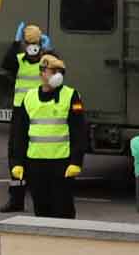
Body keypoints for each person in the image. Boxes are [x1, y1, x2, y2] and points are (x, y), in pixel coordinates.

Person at [14, 55, 88, 219]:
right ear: (42, 73)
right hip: (36, 163)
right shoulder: (30, 97)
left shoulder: (71, 96)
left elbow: (80, 131)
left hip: (61, 164)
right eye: (53, 71)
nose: (57, 75)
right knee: (41, 210)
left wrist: (76, 161)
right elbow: (19, 133)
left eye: (60, 72)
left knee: (63, 210)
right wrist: (17, 162)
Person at [0, 23, 49, 214]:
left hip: (37, 113)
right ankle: (16, 198)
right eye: (29, 43)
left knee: (35, 155)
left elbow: (59, 69)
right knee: (16, 155)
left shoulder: (46, 62)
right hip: (21, 112)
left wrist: (49, 49)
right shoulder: (19, 59)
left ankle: (39, 198)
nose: (32, 47)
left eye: (35, 43)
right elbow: (6, 63)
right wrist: (14, 43)